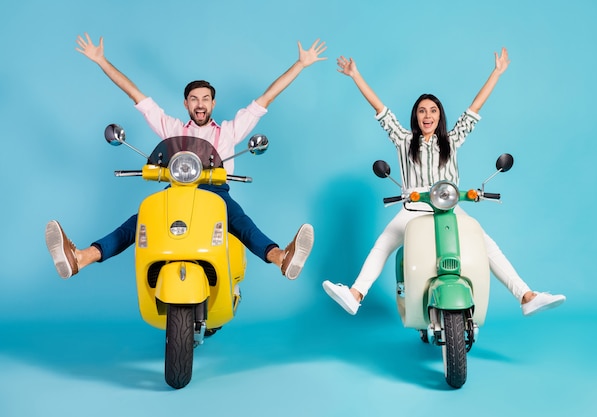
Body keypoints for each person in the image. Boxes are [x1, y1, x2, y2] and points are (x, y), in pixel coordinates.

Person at [46, 32, 325, 281]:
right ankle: (82, 257)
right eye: (194, 98)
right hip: (177, 189)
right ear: (186, 104)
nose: (200, 104)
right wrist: (101, 61)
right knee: (140, 220)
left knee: (239, 222)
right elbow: (137, 97)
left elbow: (266, 99)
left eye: (205, 98)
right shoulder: (174, 129)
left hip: (215, 192)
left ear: (213, 103)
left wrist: (300, 64)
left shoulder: (229, 131)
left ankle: (281, 257)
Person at [323, 48, 566, 316]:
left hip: (449, 207)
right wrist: (355, 74)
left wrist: (496, 72)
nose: (427, 116)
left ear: (440, 116)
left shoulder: (451, 140)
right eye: (422, 111)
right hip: (414, 207)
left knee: (485, 242)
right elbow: (381, 109)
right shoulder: (404, 140)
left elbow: (474, 108)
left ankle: (526, 295)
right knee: (383, 244)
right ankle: (355, 294)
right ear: (416, 116)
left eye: (433, 111)